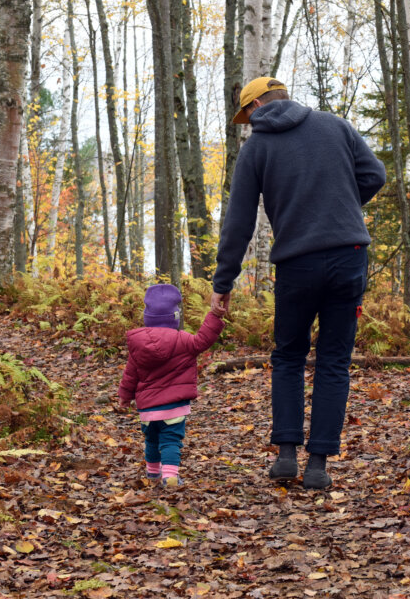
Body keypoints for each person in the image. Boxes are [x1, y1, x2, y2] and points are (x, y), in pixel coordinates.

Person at [211, 77, 386, 490]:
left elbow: (239, 222)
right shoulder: (335, 125)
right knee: (334, 360)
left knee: (289, 357)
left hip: (297, 263)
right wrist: (339, 207)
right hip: (350, 257)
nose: (248, 124)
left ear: (255, 108)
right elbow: (375, 175)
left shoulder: (257, 147)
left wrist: (224, 281)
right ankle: (319, 465)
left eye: (246, 116)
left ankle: (287, 456)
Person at [119, 284, 225, 487]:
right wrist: (214, 315)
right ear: (175, 317)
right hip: (174, 407)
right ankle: (169, 477)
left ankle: (152, 474)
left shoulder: (138, 345)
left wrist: (125, 395)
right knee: (170, 441)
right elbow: (204, 339)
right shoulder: (183, 340)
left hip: (147, 408)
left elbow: (130, 373)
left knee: (151, 440)